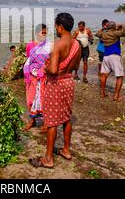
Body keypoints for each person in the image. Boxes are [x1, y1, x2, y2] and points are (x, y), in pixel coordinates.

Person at [29, 13, 81, 169]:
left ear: (60, 27)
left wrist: (45, 66)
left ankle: (48, 159)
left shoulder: (58, 44)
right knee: (66, 118)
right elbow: (76, 67)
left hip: (56, 84)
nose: (56, 29)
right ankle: (66, 150)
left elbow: (52, 70)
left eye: (56, 26)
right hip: (68, 82)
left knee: (51, 122)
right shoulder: (77, 44)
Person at [23, 24, 50, 132]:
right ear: (36, 33)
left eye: (45, 32)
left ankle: (46, 122)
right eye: (42, 32)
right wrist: (27, 73)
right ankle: (32, 121)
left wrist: (43, 70)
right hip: (32, 76)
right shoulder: (30, 45)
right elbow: (28, 60)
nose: (44, 34)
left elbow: (49, 61)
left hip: (43, 75)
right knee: (30, 99)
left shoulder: (48, 46)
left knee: (43, 98)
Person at [97, 21, 125, 101]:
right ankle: (116, 96)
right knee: (120, 77)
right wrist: (122, 25)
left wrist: (103, 28)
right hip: (114, 56)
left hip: (106, 56)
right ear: (113, 27)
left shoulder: (104, 34)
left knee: (104, 75)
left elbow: (98, 34)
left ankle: (102, 93)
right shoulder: (115, 33)